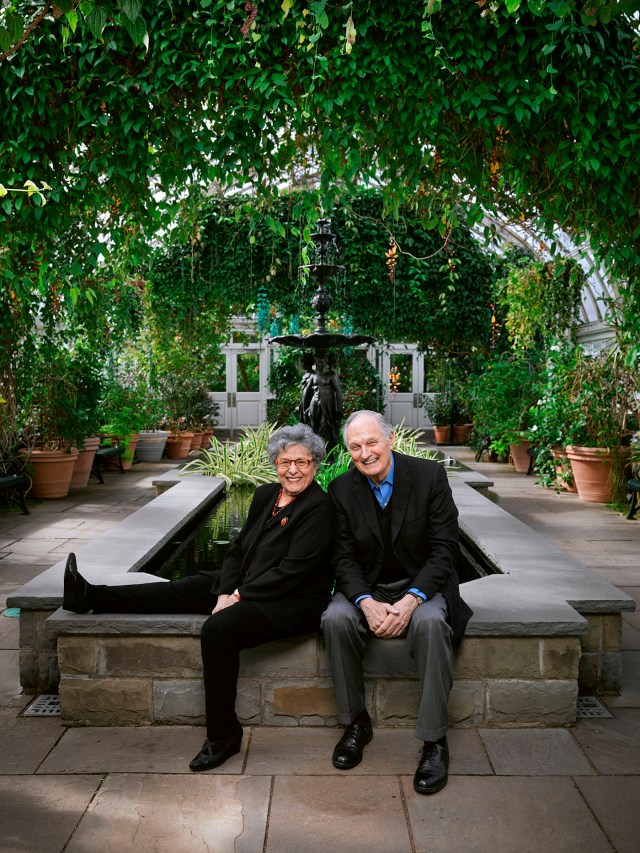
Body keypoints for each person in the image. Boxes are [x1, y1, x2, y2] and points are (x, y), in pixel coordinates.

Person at [62, 423, 335, 772]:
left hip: (292, 602)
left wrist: (236, 596)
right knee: (182, 589)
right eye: (284, 462)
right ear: (274, 463)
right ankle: (89, 596)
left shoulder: (319, 508)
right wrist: (224, 587)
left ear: (315, 464)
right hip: (251, 585)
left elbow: (294, 571)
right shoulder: (266, 494)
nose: (292, 470)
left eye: (302, 462)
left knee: (218, 630)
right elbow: (238, 548)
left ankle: (223, 736)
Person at [321, 410, 472, 794]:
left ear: (389, 440)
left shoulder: (429, 476)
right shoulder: (340, 489)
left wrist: (410, 600)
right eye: (355, 447)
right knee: (335, 619)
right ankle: (355, 722)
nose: (365, 452)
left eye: (371, 442)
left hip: (421, 585)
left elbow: (444, 550)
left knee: (433, 623)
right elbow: (342, 558)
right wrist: (366, 601)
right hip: (367, 587)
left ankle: (434, 742)